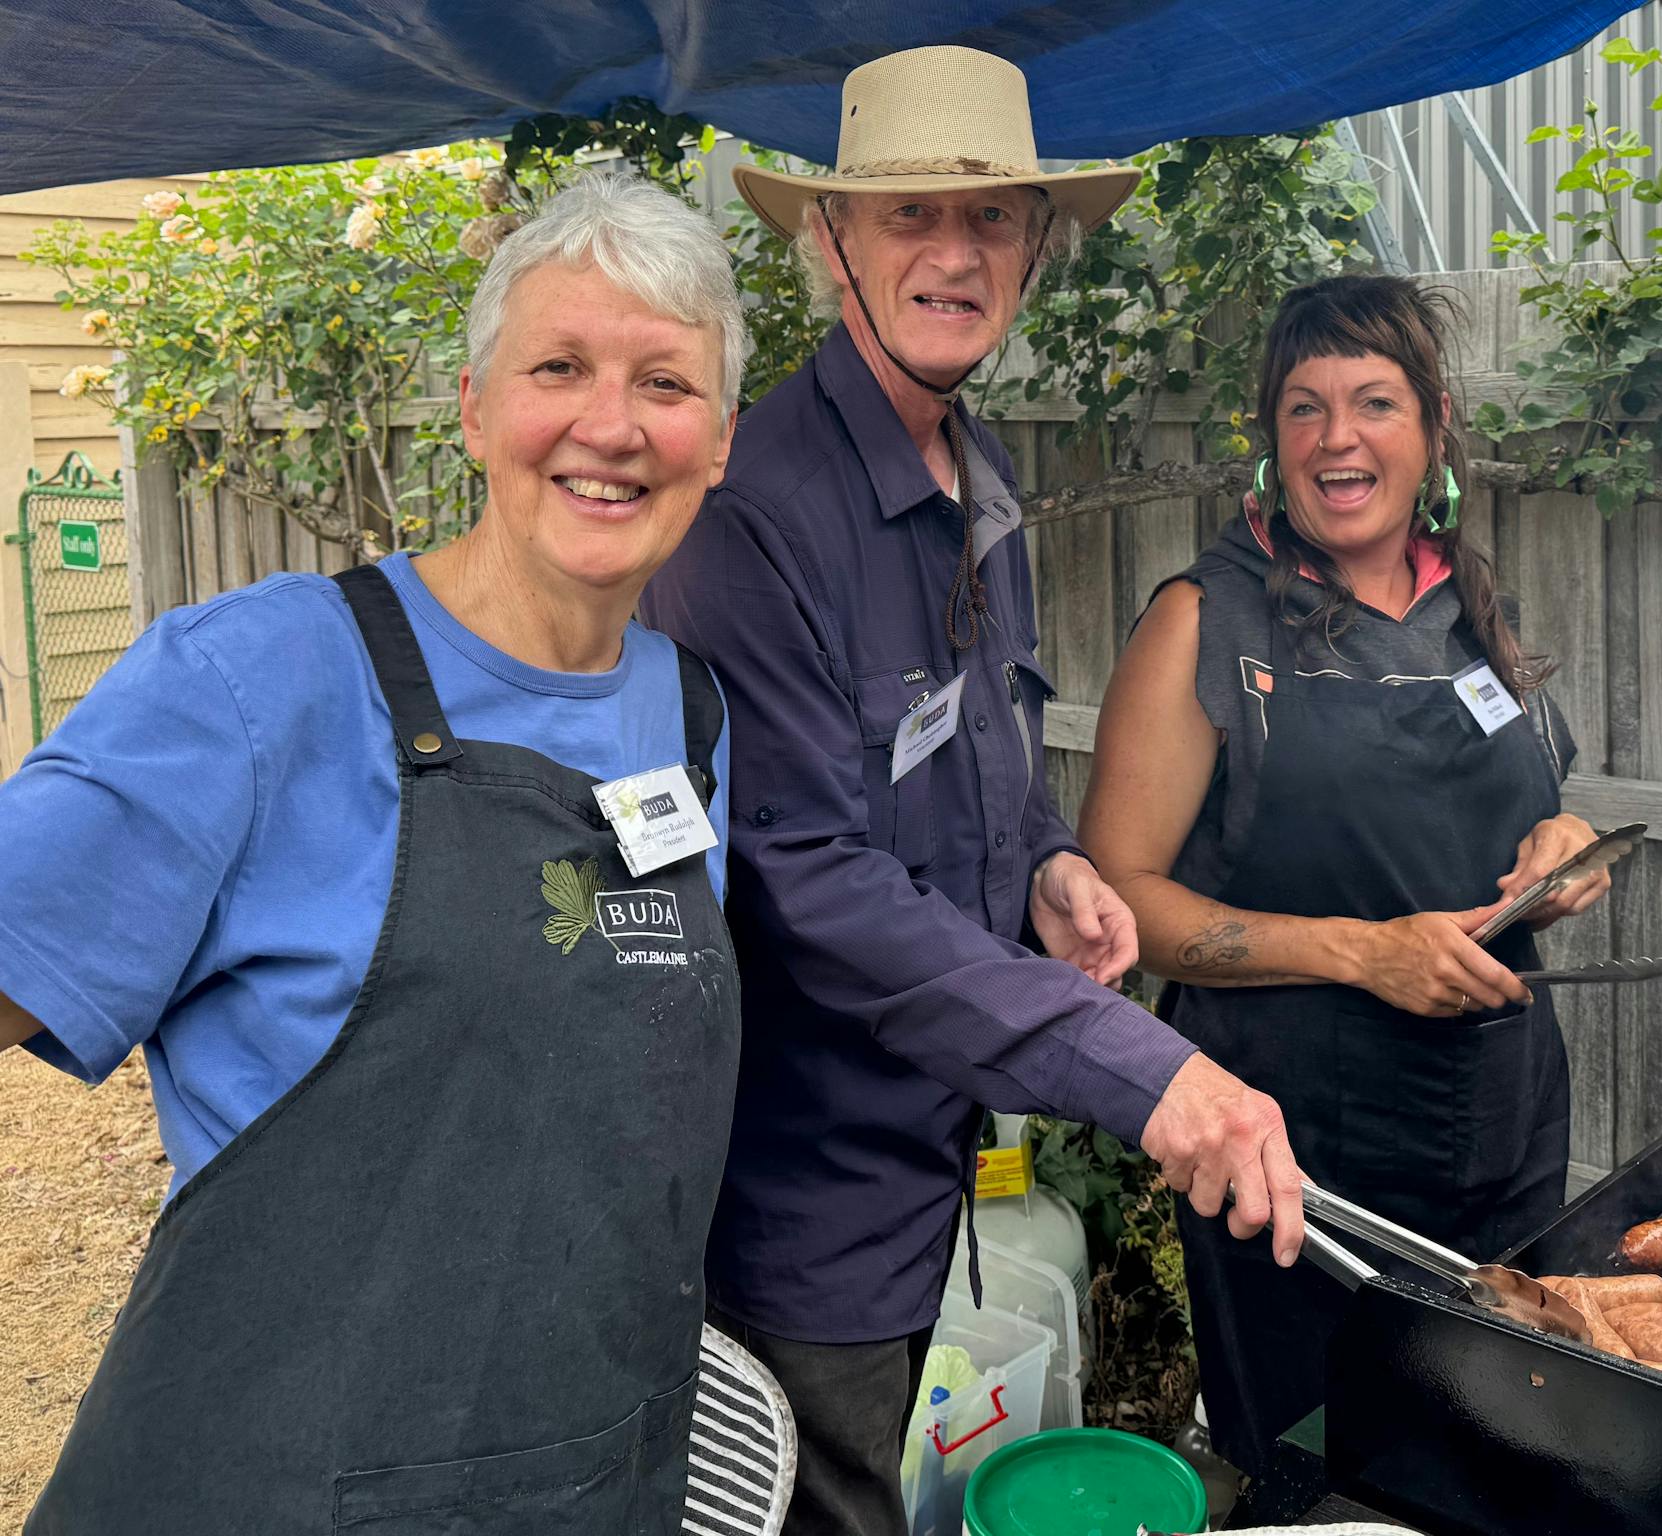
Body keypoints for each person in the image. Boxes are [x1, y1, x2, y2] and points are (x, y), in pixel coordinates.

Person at [1, 170, 749, 1531]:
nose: (611, 425)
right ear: (473, 411)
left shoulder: (691, 723)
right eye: (559, 366)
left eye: (666, 383)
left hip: (590, 1487)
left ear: (722, 438)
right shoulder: (256, 682)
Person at [639, 44, 1302, 1533]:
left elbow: (974, 744)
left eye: (995, 217)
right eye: (909, 220)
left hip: (941, 1156)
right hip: (803, 1198)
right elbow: (808, 879)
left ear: (1037, 248)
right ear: (832, 244)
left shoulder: (970, 466)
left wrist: (1052, 862)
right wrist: (1141, 1074)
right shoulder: (754, 518)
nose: (956, 253)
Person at [1079, 273, 1612, 1479]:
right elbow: (1122, 899)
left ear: (1429, 428)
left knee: (1501, 1459)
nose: (1337, 439)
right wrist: (1360, 951)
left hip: (1501, 1122)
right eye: (1303, 407)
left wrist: (1561, 846)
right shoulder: (1201, 621)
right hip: (1295, 1156)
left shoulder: (1469, 605)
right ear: (1271, 440)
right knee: (1327, 1470)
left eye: (1372, 403)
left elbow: (1529, 804)